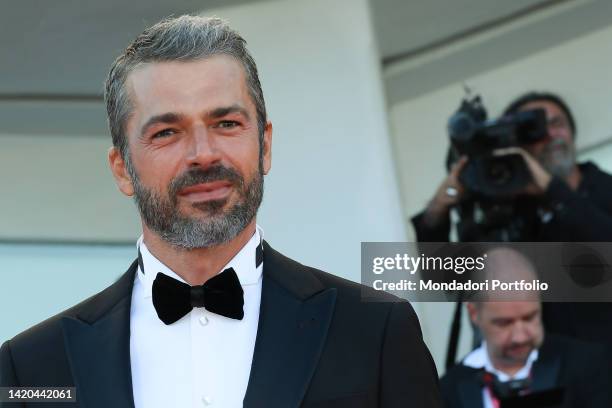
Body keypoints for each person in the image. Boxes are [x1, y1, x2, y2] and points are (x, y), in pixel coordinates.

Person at [0, 15, 441, 408]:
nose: (204, 154)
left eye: (226, 124)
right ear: (122, 170)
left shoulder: (375, 331)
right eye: (167, 132)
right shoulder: (33, 367)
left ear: (264, 145)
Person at [412, 91, 612, 346]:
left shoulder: (605, 189)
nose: (550, 135)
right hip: (543, 372)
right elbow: (445, 278)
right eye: (535, 128)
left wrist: (551, 190)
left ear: (571, 132)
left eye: (557, 123)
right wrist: (437, 211)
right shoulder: (507, 208)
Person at [439, 248, 610, 408]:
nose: (520, 336)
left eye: (530, 318)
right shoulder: (448, 390)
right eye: (504, 323)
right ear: (474, 313)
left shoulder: (588, 365)